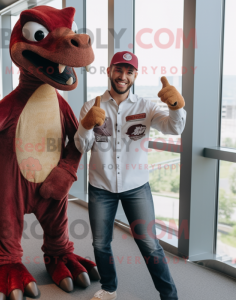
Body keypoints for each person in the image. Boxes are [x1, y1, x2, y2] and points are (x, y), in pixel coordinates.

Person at [74, 51, 186, 300]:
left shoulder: (146, 107)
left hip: (137, 187)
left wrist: (175, 106)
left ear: (135, 75)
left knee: (149, 245)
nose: (123, 76)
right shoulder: (91, 105)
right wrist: (86, 124)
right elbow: (81, 147)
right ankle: (109, 288)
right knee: (100, 244)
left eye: (129, 71)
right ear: (109, 71)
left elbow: (174, 127)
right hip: (101, 187)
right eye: (118, 70)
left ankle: (169, 296)